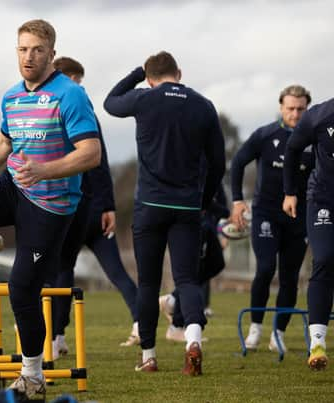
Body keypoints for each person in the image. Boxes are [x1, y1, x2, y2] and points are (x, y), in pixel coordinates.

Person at [0, 19, 101, 399]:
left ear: (51, 54)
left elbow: (91, 153)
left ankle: (32, 374)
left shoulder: (70, 95)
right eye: (22, 49)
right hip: (14, 186)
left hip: (51, 205)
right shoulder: (12, 96)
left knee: (22, 288)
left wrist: (44, 169)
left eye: (37, 50)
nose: (29, 57)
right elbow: (3, 141)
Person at [103, 51, 225, 375]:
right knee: (187, 278)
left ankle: (149, 357)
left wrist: (136, 74)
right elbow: (218, 163)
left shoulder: (144, 98)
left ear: (150, 78)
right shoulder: (203, 105)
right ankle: (193, 340)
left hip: (151, 206)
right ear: (180, 73)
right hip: (187, 206)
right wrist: (204, 198)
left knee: (149, 284)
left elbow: (111, 102)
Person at [48, 57, 139, 359]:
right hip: (91, 208)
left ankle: (57, 337)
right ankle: (142, 325)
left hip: (77, 210)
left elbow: (98, 163)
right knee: (113, 272)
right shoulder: (78, 111)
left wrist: (107, 206)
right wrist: (108, 205)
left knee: (64, 272)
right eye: (77, 81)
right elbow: (101, 165)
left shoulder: (61, 111)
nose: (80, 88)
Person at [230, 85, 313, 353]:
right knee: (265, 268)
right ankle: (255, 327)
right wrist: (237, 200)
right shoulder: (266, 135)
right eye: (290, 108)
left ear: (307, 108)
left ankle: (278, 333)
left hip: (299, 217)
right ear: (281, 107)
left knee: (290, 277)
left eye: (301, 109)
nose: (295, 114)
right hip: (266, 212)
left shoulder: (316, 138)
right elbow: (238, 162)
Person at [283, 96, 334, 371]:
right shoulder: (319, 116)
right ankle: (317, 343)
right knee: (325, 258)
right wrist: (290, 192)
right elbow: (292, 150)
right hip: (323, 201)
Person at [160, 185, 229, 342]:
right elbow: (202, 196)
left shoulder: (213, 168)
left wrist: (224, 222)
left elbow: (218, 199)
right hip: (194, 222)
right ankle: (177, 326)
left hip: (209, 226)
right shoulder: (195, 166)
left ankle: (172, 299)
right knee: (191, 276)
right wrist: (227, 214)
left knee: (216, 264)